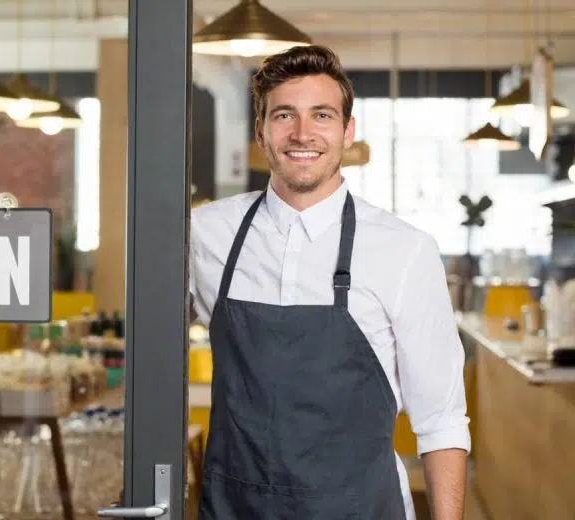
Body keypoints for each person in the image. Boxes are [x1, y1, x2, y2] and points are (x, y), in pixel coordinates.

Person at [189, 44, 470, 520]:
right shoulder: (206, 234)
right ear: (260, 131)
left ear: (347, 130)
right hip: (235, 509)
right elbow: (155, 356)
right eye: (283, 116)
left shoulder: (404, 250)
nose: (302, 133)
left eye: (321, 114)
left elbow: (440, 420)